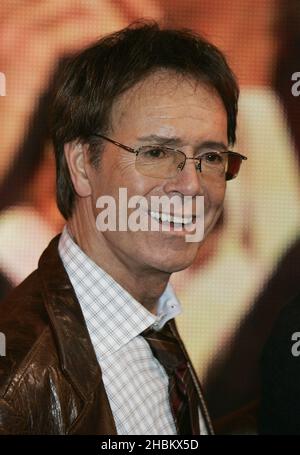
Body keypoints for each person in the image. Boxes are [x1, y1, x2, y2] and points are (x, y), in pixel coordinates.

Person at [0, 21, 245, 435]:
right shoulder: (18, 385)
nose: (192, 185)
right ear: (81, 165)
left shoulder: (153, 322)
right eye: (155, 152)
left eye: (212, 157)